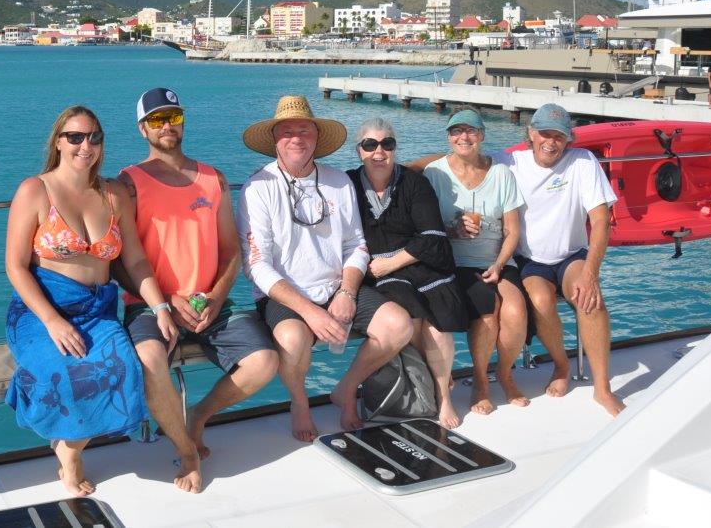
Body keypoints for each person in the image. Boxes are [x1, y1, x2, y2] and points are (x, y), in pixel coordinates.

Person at [4, 105, 178, 497]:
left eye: (94, 137)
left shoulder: (114, 194)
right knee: (63, 374)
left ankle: (69, 443)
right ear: (58, 142)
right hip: (42, 309)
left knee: (123, 371)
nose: (86, 146)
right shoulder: (35, 190)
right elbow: (15, 267)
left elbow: (133, 259)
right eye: (76, 137)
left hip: (98, 308)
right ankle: (72, 453)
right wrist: (52, 321)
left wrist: (160, 307)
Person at [117, 88, 278, 492]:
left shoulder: (213, 178)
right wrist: (164, 301)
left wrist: (218, 296)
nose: (167, 125)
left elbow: (231, 251)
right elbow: (119, 260)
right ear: (142, 130)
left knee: (265, 362)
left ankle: (200, 416)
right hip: (151, 304)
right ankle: (187, 451)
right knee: (151, 362)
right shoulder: (128, 183)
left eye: (173, 116)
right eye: (156, 119)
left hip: (211, 303)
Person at [237, 95, 413, 441]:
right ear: (275, 140)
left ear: (317, 138)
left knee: (399, 325)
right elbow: (257, 265)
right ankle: (299, 401)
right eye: (287, 132)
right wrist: (311, 313)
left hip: (337, 287)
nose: (296, 138)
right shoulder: (257, 188)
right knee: (292, 339)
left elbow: (356, 245)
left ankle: (346, 388)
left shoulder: (338, 182)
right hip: (286, 295)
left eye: (304, 130)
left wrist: (347, 292)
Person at [495, 103, 624, 417]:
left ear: (569, 140)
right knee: (539, 300)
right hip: (529, 259)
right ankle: (562, 365)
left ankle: (602, 389)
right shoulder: (509, 162)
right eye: (544, 133)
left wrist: (591, 273)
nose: (550, 142)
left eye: (559, 136)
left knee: (589, 299)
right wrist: (411, 169)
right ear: (531, 133)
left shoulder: (582, 161)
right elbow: (463, 163)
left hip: (571, 255)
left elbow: (601, 220)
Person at [346, 116, 470, 429]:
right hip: (381, 275)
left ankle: (442, 395)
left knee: (438, 328)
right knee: (413, 317)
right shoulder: (347, 185)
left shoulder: (414, 183)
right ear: (359, 151)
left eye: (387, 144)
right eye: (370, 145)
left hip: (420, 264)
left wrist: (391, 262)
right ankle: (423, 388)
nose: (379, 151)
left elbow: (430, 235)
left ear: (395, 149)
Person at [421, 108, 528, 416]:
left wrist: (499, 263)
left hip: (497, 260)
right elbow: (426, 228)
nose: (463, 137)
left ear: (482, 136)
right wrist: (452, 230)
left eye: (470, 131)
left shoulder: (501, 174)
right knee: (487, 315)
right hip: (457, 263)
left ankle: (505, 374)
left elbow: (513, 230)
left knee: (515, 311)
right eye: (456, 131)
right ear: (448, 137)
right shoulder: (435, 173)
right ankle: (481, 381)